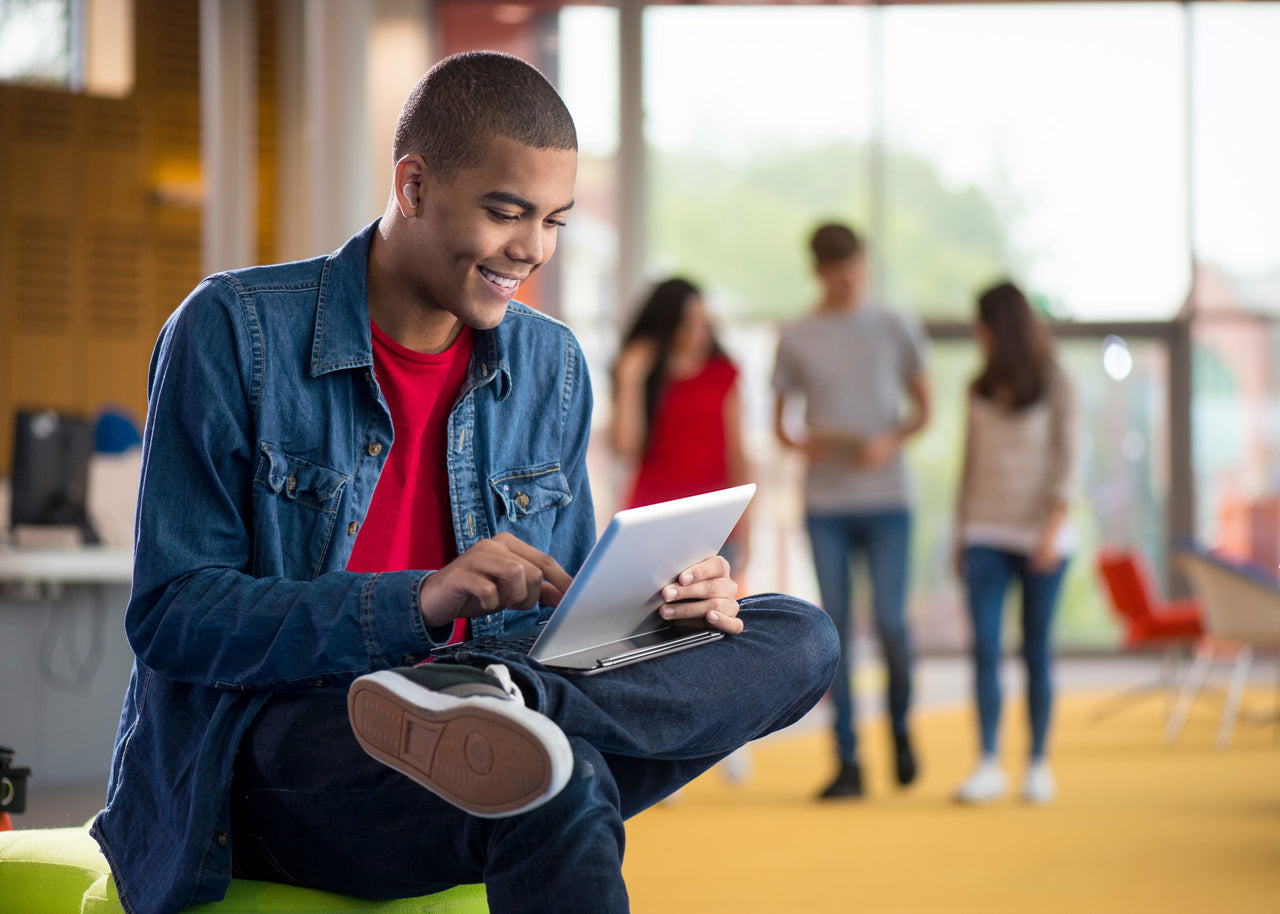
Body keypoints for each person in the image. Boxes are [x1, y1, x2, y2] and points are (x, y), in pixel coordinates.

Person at [91, 51, 838, 914]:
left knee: (798, 634)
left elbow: (554, 616)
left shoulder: (550, 361)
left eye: (554, 220)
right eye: (507, 212)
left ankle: (507, 702)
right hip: (279, 751)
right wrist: (418, 603)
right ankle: (500, 710)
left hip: (502, 699)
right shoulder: (233, 331)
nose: (533, 250)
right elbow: (175, 616)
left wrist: (653, 609)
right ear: (412, 186)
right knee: (552, 778)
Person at [771, 222, 931, 800]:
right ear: (817, 272)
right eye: (835, 271)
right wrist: (802, 443)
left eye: (854, 267)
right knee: (833, 630)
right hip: (827, 501)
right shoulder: (798, 334)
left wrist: (890, 440)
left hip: (889, 498)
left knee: (890, 621)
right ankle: (847, 759)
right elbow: (783, 423)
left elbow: (924, 409)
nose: (846, 279)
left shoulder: (896, 325)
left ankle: (902, 726)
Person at [951, 280, 1077, 806]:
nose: (977, 335)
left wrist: (1051, 528)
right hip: (984, 531)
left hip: (1041, 536)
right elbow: (970, 464)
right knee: (983, 647)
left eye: (980, 325)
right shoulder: (977, 388)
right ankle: (987, 763)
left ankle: (1037, 763)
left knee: (1035, 649)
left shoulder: (1055, 383)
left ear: (998, 327)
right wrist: (959, 533)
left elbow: (1069, 460)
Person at [609, 277, 750, 570]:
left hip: (714, 522)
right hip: (650, 520)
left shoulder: (723, 373)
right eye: (688, 322)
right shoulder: (643, 375)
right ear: (667, 324)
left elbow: (738, 454)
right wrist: (630, 378)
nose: (699, 330)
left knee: (710, 613)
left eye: (703, 320)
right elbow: (626, 447)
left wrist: (746, 529)